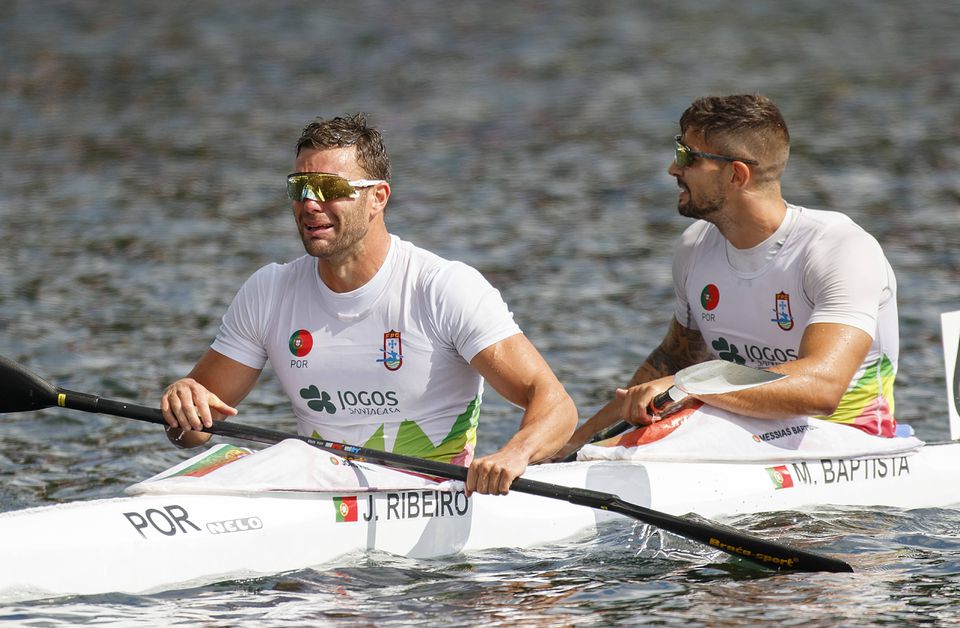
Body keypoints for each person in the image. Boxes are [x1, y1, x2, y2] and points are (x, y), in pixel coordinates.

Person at [161, 113, 576, 495]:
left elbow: (556, 405)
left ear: (378, 197)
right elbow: (193, 433)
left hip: (423, 492)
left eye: (330, 189)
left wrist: (514, 455)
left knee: (291, 456)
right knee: (263, 459)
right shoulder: (268, 290)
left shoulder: (442, 287)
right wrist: (182, 404)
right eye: (299, 188)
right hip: (316, 486)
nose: (309, 204)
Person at [554, 94, 899, 459]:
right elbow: (671, 364)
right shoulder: (695, 248)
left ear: (737, 174)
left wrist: (691, 386)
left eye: (687, 156)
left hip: (847, 440)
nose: (673, 169)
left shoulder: (838, 248)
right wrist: (566, 449)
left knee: (684, 412)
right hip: (737, 430)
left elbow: (822, 389)